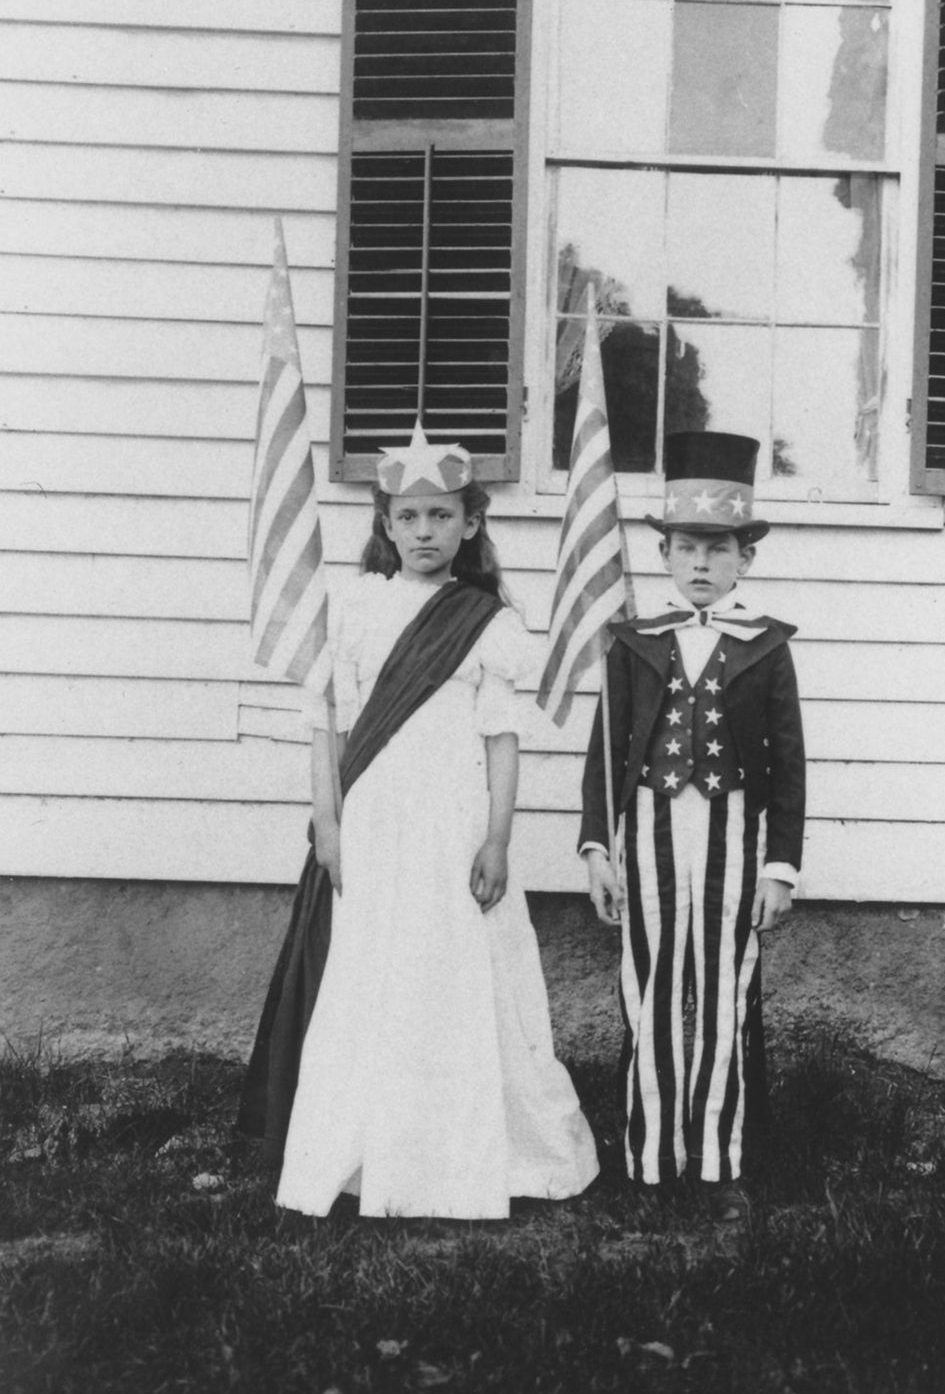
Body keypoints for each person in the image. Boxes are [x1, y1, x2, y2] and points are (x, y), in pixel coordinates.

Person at [270, 421, 598, 1220]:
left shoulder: (484, 619)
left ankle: (470, 1151)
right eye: (409, 517)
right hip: (376, 817)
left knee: (461, 969)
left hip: (453, 821)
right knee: (375, 971)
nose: (425, 531)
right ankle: (369, 1150)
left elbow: (500, 738)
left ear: (471, 524)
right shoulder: (355, 608)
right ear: (385, 525)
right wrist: (327, 823)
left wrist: (497, 837)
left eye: (442, 516)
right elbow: (328, 726)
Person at [580, 431, 805, 1221]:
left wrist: (781, 864)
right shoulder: (635, 641)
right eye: (685, 547)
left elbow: (790, 766)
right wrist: (598, 846)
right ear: (665, 555)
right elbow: (606, 751)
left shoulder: (767, 647)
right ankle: (647, 1160)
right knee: (647, 989)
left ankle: (717, 1163)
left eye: (719, 547)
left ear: (745, 557)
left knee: (722, 991)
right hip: (647, 828)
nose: (701, 563)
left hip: (733, 833)